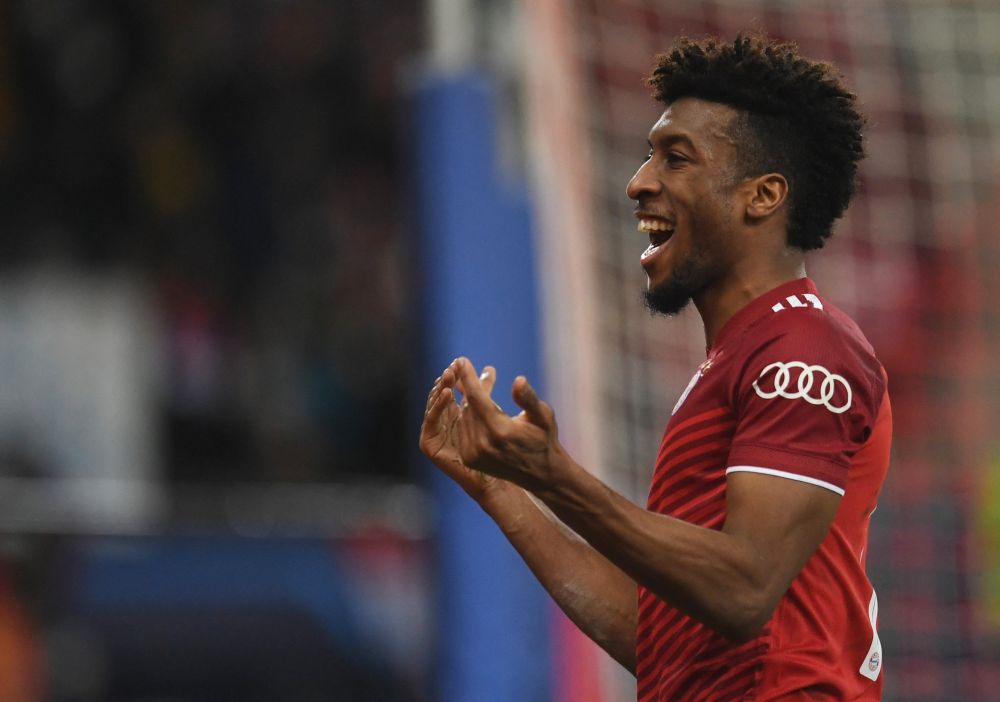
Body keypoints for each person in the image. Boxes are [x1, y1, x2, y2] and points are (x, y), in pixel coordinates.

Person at [419, 34, 891, 701]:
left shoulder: (806, 350)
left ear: (761, 196)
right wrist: (505, 491)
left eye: (676, 157)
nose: (640, 183)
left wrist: (559, 481)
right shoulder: (735, 362)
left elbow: (743, 589)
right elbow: (663, 645)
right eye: (649, 156)